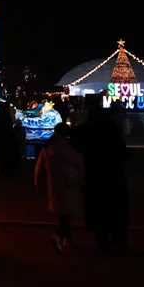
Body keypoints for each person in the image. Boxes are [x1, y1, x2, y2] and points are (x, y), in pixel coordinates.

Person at [72, 106, 131, 251]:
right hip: (113, 176)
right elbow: (122, 152)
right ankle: (118, 239)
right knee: (116, 209)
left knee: (98, 210)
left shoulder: (85, 131)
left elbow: (76, 147)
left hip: (94, 176)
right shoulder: (111, 131)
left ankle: (102, 240)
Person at [34, 122, 85, 253]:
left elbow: (39, 170)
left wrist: (38, 185)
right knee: (67, 214)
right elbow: (81, 167)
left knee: (61, 215)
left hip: (54, 185)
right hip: (70, 185)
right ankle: (60, 236)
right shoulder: (73, 149)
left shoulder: (47, 149)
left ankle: (65, 239)